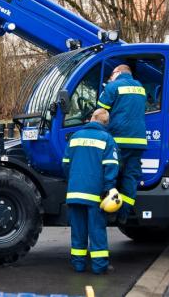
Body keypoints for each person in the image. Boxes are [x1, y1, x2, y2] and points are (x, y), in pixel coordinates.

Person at [62, 108, 119, 274]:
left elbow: (65, 164)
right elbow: (111, 167)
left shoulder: (75, 137)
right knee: (97, 231)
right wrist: (108, 189)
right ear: (106, 123)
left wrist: (73, 180)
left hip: (74, 192)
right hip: (94, 194)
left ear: (92, 118)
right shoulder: (107, 139)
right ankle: (99, 267)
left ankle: (78, 265)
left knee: (78, 231)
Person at [97, 64, 147, 224]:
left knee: (111, 173)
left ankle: (109, 211)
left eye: (112, 74)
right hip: (138, 141)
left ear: (117, 72)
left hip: (118, 139)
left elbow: (101, 112)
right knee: (130, 177)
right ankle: (124, 216)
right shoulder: (141, 87)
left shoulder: (113, 86)